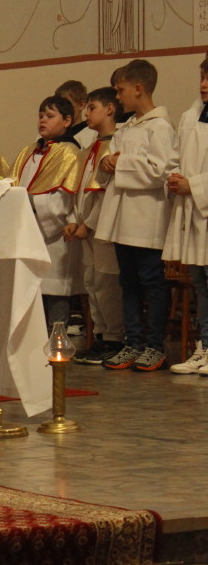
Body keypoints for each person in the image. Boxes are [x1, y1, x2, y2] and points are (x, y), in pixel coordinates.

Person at [95, 59, 178, 372]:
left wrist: (122, 163)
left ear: (139, 89)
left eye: (121, 90)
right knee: (128, 283)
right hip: (122, 217)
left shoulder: (161, 127)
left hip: (147, 218)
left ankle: (154, 346)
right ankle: (133, 342)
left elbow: (161, 171)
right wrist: (106, 163)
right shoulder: (127, 127)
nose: (117, 97)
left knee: (151, 284)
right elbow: (111, 160)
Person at [11, 95, 84, 331]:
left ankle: (56, 337)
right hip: (28, 229)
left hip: (54, 232)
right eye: (41, 115)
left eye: (50, 116)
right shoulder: (29, 151)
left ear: (67, 121)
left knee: (54, 289)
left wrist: (33, 205)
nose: (43, 120)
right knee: (30, 289)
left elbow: (65, 197)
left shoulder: (69, 152)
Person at [65, 87, 125, 364]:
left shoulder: (115, 147)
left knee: (106, 284)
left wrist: (87, 224)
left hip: (103, 228)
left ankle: (114, 338)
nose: (86, 113)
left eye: (92, 107)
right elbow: (79, 190)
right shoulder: (90, 149)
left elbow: (106, 193)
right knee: (91, 283)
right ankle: (100, 336)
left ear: (110, 109)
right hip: (86, 226)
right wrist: (74, 219)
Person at [163, 58, 208, 374]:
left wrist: (194, 185)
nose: (204, 84)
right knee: (201, 284)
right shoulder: (191, 116)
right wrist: (175, 176)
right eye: (202, 77)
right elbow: (174, 157)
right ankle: (203, 347)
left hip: (201, 200)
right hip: (195, 214)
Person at [54, 79, 98, 150]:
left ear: (81, 105)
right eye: (59, 105)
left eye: (67, 104)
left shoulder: (90, 133)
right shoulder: (54, 132)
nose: (63, 109)